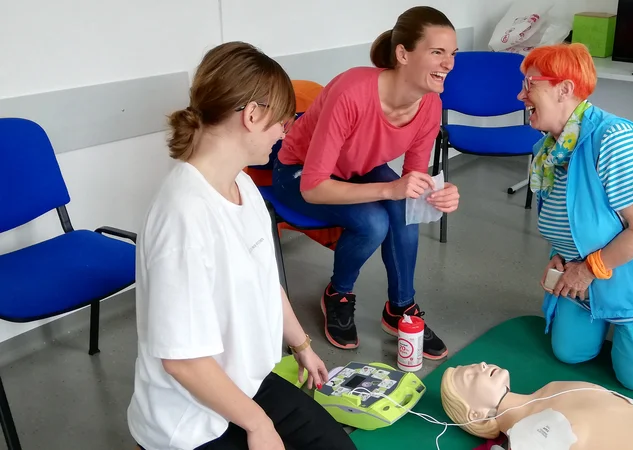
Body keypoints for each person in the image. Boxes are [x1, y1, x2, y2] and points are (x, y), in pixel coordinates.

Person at [127, 42, 355, 450]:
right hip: (186, 420)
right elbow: (182, 361)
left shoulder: (244, 186)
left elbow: (266, 279)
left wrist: (302, 345)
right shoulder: (183, 217)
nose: (286, 133)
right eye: (283, 122)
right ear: (251, 116)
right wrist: (259, 425)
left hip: (243, 382)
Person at [272, 6, 460, 360]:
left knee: (402, 208)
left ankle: (401, 307)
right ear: (403, 54)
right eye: (437, 52)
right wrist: (390, 189)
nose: (448, 63)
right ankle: (338, 294)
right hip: (297, 173)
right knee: (374, 222)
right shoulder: (352, 92)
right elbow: (313, 186)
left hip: (357, 170)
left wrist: (439, 196)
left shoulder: (430, 105)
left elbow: (413, 184)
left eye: (452, 54)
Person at [519, 43, 633, 392]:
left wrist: (586, 270)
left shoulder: (616, 139)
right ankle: (608, 315)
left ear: (564, 89)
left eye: (530, 85)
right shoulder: (551, 148)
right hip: (584, 268)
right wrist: (561, 257)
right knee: (569, 353)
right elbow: (572, 216)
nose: (520, 95)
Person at [440, 362, 633, 450]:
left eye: (477, 365)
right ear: (476, 415)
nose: (482, 365)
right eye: (471, 375)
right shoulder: (524, 440)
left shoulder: (551, 387)